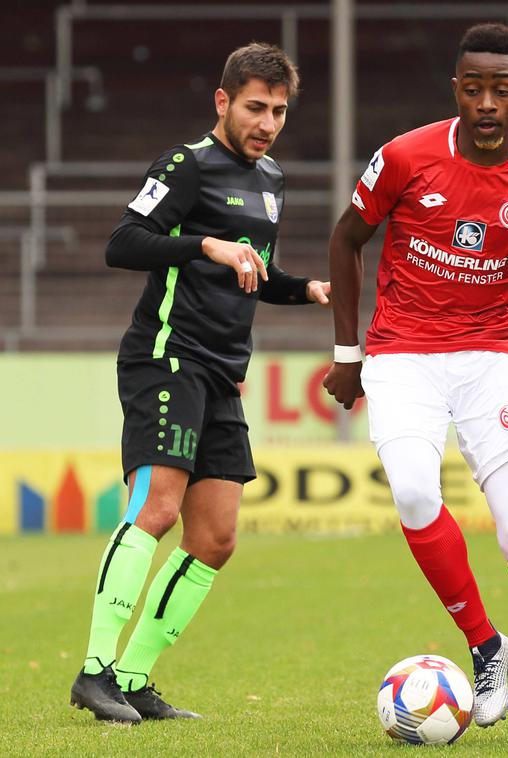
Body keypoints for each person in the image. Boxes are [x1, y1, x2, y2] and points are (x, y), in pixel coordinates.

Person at [322, 23, 508, 742]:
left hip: (491, 359)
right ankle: (488, 647)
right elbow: (346, 239)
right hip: (401, 354)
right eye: (472, 88)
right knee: (415, 491)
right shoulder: (403, 157)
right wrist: (345, 352)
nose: (486, 102)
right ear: (456, 90)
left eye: (500, 89)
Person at [70, 43, 331, 724]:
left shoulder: (271, 179)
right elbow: (122, 243)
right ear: (223, 102)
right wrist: (202, 243)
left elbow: (256, 272)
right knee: (154, 509)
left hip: (221, 372)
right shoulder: (186, 165)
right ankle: (94, 670)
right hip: (166, 355)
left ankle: (133, 678)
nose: (268, 122)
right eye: (255, 107)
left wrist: (307, 289)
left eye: (278, 111)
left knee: (215, 537)